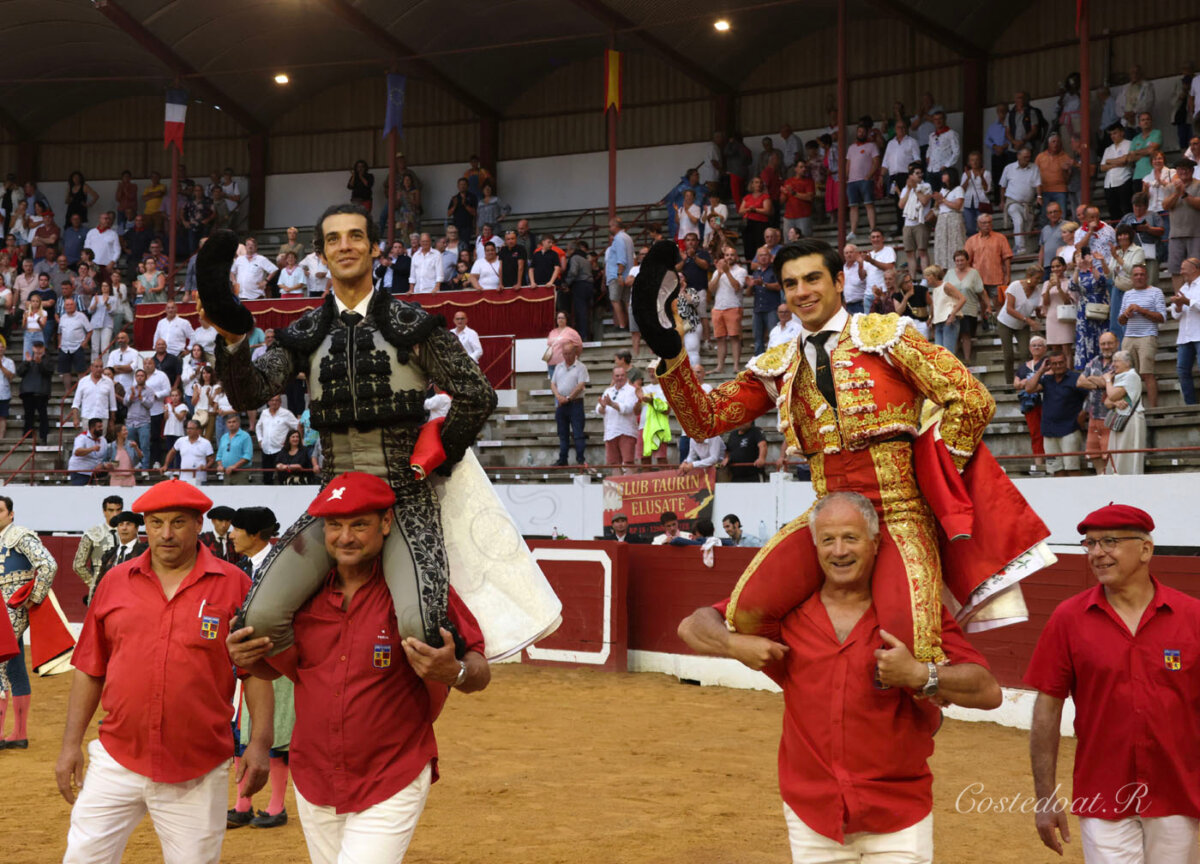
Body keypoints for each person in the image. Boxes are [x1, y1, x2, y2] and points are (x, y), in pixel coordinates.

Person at [634, 238, 1047, 663]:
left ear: (838, 280)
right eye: (791, 284)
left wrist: (937, 471)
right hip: (827, 515)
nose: (802, 291)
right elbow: (703, 420)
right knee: (748, 613)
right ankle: (825, 678)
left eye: (813, 278)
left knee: (914, 647)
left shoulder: (886, 338)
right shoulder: (779, 365)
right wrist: (672, 354)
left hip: (899, 513)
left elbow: (972, 399)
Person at [203, 206, 498, 651]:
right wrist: (232, 341)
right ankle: (323, 693)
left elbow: (477, 393)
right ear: (321, 254)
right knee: (257, 620)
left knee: (421, 630)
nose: (346, 245)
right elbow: (248, 395)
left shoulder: (413, 324)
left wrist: (436, 454)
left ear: (374, 248)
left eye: (356, 236)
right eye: (334, 239)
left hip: (404, 497)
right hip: (335, 498)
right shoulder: (306, 332)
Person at [678, 492, 1000, 863]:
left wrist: (919, 673)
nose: (839, 551)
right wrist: (734, 645)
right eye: (828, 539)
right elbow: (692, 625)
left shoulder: (912, 613)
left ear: (876, 543)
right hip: (813, 817)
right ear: (814, 546)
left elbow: (988, 691)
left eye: (851, 537)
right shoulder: (788, 613)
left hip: (898, 818)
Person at [225, 472, 490, 864]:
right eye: (334, 525)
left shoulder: (416, 592)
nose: (345, 537)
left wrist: (455, 673)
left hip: (392, 773)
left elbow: (478, 669)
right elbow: (284, 671)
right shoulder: (300, 596)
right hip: (315, 775)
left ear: (386, 523)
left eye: (359, 524)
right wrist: (245, 658)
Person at [57, 480, 272, 863]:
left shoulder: (235, 585)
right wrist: (70, 744)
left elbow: (254, 671)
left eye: (178, 522)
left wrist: (259, 744)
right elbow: (90, 668)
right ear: (144, 525)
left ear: (198, 523)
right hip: (118, 757)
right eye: (156, 523)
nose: (166, 534)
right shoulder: (114, 582)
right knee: (83, 858)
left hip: (198, 766)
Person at [1025, 503, 1200, 862]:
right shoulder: (1068, 619)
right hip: (1102, 794)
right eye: (1089, 544)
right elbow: (1047, 707)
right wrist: (1045, 797)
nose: (1097, 553)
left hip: (1178, 793)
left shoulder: (1193, 617)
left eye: (1110, 541)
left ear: (1146, 550)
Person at [225, 506, 294, 830]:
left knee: (276, 735)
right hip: (247, 666)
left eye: (237, 529)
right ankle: (243, 804)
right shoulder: (241, 567)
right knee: (243, 734)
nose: (231, 534)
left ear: (254, 535)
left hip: (277, 663)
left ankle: (277, 806)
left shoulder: (283, 567)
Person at [0, 494, 59, 747]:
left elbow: (48, 564)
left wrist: (34, 596)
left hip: (13, 606)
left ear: (11, 514)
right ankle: (19, 734)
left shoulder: (21, 535)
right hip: (2, 606)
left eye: (0, 511)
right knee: (14, 666)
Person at [1021, 350, 1094, 476]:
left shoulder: (1076, 378)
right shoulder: (1047, 379)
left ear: (1066, 362)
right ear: (1050, 365)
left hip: (1069, 430)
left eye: (1061, 362)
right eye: (1054, 364)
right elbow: (1029, 388)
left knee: (1073, 468)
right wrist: (1041, 370)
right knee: (1056, 470)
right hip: (1049, 431)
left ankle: (1077, 495)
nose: (1058, 366)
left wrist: (1084, 412)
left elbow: (1091, 395)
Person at [1116, 263, 1165, 408]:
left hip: (1147, 336)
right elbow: (1121, 321)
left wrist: (1141, 310)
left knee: (1146, 373)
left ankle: (1153, 409)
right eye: (1136, 274)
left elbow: (1162, 317)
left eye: (1142, 274)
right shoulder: (1128, 294)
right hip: (1129, 336)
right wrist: (1126, 315)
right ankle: (1131, 408)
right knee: (1127, 374)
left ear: (1147, 276)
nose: (1139, 277)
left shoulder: (1156, 292)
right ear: (1131, 277)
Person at [996, 265, 1044, 384]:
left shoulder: (1037, 291)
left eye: (1040, 279)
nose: (1038, 281)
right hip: (1006, 322)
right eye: (1037, 278)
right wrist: (1028, 320)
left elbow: (1038, 311)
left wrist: (1043, 314)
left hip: (1022, 325)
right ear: (1029, 277)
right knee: (1008, 355)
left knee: (1025, 353)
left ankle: (1023, 380)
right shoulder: (1015, 286)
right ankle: (1009, 383)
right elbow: (1009, 309)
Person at [1079, 331, 1118, 475]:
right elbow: (1079, 382)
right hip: (1094, 415)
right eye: (1103, 343)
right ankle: (1101, 478)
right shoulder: (1094, 360)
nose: (1106, 346)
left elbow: (1109, 381)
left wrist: (1093, 380)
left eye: (1109, 343)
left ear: (1117, 344)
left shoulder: (1120, 360)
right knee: (1094, 454)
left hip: (1111, 416)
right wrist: (1100, 383)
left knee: (1110, 456)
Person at [1103, 350, 1147, 475]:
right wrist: (1115, 403)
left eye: (1116, 361)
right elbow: (1107, 401)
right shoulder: (1121, 377)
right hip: (1120, 420)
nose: (1113, 364)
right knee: (1117, 454)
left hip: (1131, 420)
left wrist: (1107, 381)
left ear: (1127, 363)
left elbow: (1111, 394)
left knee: (1128, 456)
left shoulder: (1131, 376)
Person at [72, 495, 123, 602]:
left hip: (123, 588)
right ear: (104, 512)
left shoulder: (130, 533)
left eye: (118, 510)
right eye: (110, 510)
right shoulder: (93, 533)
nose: (115, 514)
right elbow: (78, 565)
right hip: (100, 589)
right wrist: (94, 584)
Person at [1072, 248, 1112, 372]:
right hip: (1084, 310)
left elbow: (1101, 281)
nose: (1081, 258)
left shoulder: (1097, 270)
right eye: (1078, 256)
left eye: (1082, 256)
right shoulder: (1078, 274)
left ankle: (1104, 367)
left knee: (1101, 336)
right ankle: (1086, 369)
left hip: (1099, 307)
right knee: (1085, 338)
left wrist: (1091, 265)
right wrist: (1078, 268)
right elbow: (1072, 286)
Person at [708, 245, 746, 373]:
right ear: (724, 257)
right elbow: (711, 289)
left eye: (732, 255)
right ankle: (720, 367)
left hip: (733, 306)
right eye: (727, 255)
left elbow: (737, 287)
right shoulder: (717, 271)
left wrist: (727, 272)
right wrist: (719, 273)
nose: (729, 257)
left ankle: (736, 366)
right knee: (720, 339)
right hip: (718, 307)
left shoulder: (741, 271)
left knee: (735, 337)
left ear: (736, 257)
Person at [550, 342, 588, 467]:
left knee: (578, 433)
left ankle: (580, 459)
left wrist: (568, 398)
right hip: (561, 403)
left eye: (569, 353)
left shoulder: (581, 367)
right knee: (562, 433)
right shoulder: (559, 367)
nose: (567, 356)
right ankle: (563, 459)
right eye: (565, 354)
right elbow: (553, 384)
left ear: (575, 353)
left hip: (575, 403)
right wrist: (558, 397)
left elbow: (580, 385)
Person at [1013, 335, 1048, 472]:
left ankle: (1050, 460)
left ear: (1045, 348)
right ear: (1029, 348)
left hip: (1046, 401)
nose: (1037, 347)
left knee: (1048, 431)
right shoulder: (1023, 366)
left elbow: (1046, 379)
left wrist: (1025, 382)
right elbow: (1016, 383)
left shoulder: (1048, 363)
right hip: (1030, 404)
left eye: (1040, 345)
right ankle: (1038, 463)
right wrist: (1028, 382)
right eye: (1034, 345)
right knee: (1035, 433)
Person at [595, 363, 638, 474]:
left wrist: (612, 404)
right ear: (613, 377)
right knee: (614, 464)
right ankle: (617, 490)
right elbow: (598, 409)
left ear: (626, 376)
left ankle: (630, 489)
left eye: (622, 375)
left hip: (626, 431)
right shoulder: (608, 391)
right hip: (611, 432)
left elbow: (628, 408)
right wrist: (603, 406)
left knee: (628, 462)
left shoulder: (631, 391)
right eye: (617, 376)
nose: (619, 378)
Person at [1168, 256, 1200, 404]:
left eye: (1183, 268)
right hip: (1184, 337)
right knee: (1182, 371)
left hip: (1198, 335)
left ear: (1194, 268)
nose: (1181, 272)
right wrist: (1179, 307)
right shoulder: (1183, 288)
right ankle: (1190, 405)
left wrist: (1186, 301)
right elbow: (1175, 315)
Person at [1039, 257, 1079, 368]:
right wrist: (1048, 289)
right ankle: (1057, 374)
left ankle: (1069, 374)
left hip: (1065, 317)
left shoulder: (1069, 282)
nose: (1055, 269)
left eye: (1058, 266)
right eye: (1053, 267)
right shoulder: (1047, 283)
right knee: (1055, 350)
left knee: (1066, 349)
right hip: (1052, 317)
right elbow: (1045, 302)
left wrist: (1059, 288)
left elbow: (1068, 302)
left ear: (1064, 267)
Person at [96, 511, 146, 590]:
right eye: (121, 524)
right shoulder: (109, 555)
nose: (124, 528)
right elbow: (100, 584)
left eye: (128, 524)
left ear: (136, 528)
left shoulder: (144, 553)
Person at [931, 168, 966, 270]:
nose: (942, 176)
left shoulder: (958, 189)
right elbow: (938, 206)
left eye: (945, 174)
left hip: (953, 217)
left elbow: (958, 206)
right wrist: (937, 200)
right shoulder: (943, 189)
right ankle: (942, 268)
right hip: (942, 219)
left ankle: (956, 267)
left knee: (955, 243)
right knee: (942, 245)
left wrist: (942, 199)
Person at [165, 419, 215, 486]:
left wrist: (205, 467)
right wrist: (166, 465)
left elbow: (211, 459)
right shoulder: (181, 441)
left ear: (198, 430)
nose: (188, 430)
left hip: (200, 479)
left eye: (191, 428)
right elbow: (172, 452)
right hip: (183, 479)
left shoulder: (205, 443)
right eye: (187, 428)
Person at [214, 412, 253, 485]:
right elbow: (219, 456)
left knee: (240, 496)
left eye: (234, 422)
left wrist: (234, 466)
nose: (231, 424)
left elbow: (247, 456)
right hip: (226, 473)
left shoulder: (245, 436)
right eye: (229, 422)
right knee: (226, 496)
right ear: (226, 424)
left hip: (241, 473)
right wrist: (220, 465)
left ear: (239, 423)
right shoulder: (224, 437)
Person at [544, 311, 582, 378]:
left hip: (565, 364)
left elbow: (579, 346)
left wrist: (574, 357)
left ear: (566, 319)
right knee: (554, 385)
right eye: (558, 318)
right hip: (551, 364)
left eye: (562, 318)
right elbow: (549, 344)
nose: (560, 319)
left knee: (564, 385)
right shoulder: (552, 332)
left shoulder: (571, 332)